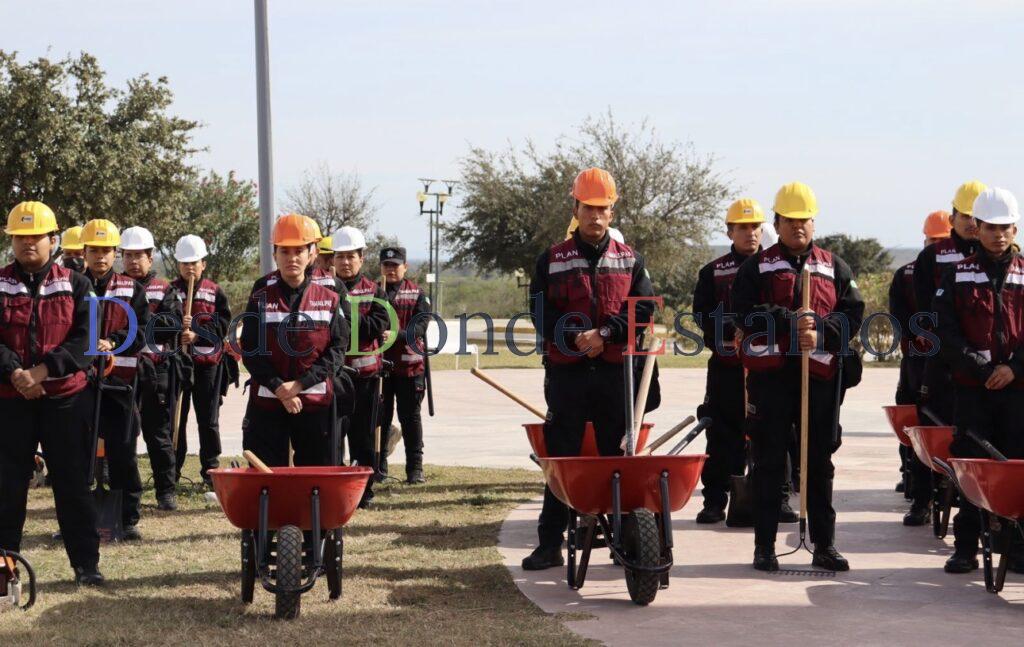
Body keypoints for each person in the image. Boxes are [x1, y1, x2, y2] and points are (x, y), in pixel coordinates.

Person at [521, 167, 656, 570]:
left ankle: (626, 540)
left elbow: (643, 309)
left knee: (619, 456)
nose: (595, 216)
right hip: (568, 374)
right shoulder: (552, 259)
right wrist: (579, 339)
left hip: (616, 374)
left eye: (602, 209)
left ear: (612, 211)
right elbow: (540, 313)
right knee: (561, 458)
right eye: (588, 208)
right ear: (575, 208)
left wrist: (606, 334)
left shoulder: (631, 260)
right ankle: (549, 544)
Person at [732, 181, 864, 572]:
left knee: (819, 463)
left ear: (813, 222)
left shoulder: (834, 265)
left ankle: (824, 544)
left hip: (819, 382)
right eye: (790, 221)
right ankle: (764, 546)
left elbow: (852, 314)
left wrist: (820, 332)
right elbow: (743, 312)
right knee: (769, 462)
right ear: (777, 222)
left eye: (804, 220)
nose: (798, 227)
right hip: (772, 382)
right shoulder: (757, 266)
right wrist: (789, 322)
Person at [0, 201, 102, 585]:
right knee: (7, 487)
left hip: (67, 400)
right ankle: (4, 571)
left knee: (73, 484)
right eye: (20, 238)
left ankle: (86, 567)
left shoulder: (79, 284)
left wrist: (42, 372)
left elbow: (87, 340)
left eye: (36, 237)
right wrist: (17, 375)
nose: (28, 244)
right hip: (11, 401)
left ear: (53, 239)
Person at [933, 187, 1024, 574]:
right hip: (973, 389)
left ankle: (1017, 548)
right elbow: (945, 332)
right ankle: (966, 547)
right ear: (977, 228)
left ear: (1015, 229)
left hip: (1017, 390)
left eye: (1005, 228)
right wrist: (981, 368)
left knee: (1018, 467)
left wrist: (1014, 368)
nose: (998, 235)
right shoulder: (956, 274)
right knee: (970, 465)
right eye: (990, 227)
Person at [692, 198, 797, 524]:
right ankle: (714, 501)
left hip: (767, 368)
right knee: (721, 435)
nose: (750, 233)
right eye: (742, 227)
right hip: (726, 368)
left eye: (755, 227)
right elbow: (702, 315)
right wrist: (729, 328)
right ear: (729, 231)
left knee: (774, 433)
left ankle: (779, 500)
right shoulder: (712, 271)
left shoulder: (775, 268)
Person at [239, 215, 348, 467]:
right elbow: (251, 350)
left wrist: (299, 385)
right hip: (268, 401)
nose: (292, 258)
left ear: (312, 253)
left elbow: (337, 351)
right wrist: (280, 388)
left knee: (316, 478)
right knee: (266, 476)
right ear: (275, 254)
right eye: (285, 251)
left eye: (299, 250)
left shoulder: (330, 299)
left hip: (315, 403)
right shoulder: (260, 298)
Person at [80, 219, 151, 540]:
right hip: (79, 384)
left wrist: (113, 340)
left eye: (106, 250)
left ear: (115, 253)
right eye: (94, 250)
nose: (100, 256)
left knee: (123, 452)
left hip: (120, 383)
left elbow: (141, 331)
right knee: (77, 453)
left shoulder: (131, 289)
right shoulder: (70, 286)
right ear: (84, 252)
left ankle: (128, 518)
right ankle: (76, 517)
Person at [887, 211, 951, 525]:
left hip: (955, 369)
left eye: (942, 241)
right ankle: (919, 494)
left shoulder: (960, 272)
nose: (936, 247)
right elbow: (899, 316)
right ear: (923, 240)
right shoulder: (907, 275)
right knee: (916, 429)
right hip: (917, 365)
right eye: (932, 241)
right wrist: (919, 338)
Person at [912, 182, 985, 428]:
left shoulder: (1003, 260)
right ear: (953, 218)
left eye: (977, 216)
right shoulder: (931, 257)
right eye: (966, 215)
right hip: (945, 364)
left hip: (989, 370)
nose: (972, 222)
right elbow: (923, 312)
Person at [120, 226, 182, 511]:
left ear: (150, 257)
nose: (133, 261)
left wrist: (137, 330)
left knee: (157, 434)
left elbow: (172, 325)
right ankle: (120, 491)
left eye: (139, 256)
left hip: (156, 371)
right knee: (121, 434)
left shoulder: (165, 289)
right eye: (128, 255)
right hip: (121, 370)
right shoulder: (115, 288)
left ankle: (165, 492)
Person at [332, 226, 391, 507]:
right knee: (332, 436)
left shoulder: (375, 291)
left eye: (350, 257)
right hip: (333, 377)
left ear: (361, 257)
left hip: (367, 378)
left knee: (364, 437)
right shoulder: (322, 290)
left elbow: (376, 325)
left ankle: (364, 491)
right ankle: (333, 487)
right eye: (340, 257)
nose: (345, 262)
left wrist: (344, 315)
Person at [171, 234, 231, 488]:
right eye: (185, 263)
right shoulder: (170, 291)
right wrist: (178, 329)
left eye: (194, 262)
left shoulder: (215, 291)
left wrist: (197, 333)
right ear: (178, 265)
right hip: (179, 364)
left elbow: (224, 325)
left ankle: (210, 470)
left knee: (208, 419)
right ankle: (172, 470)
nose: (190, 267)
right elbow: (158, 323)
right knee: (177, 417)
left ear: (203, 264)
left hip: (208, 366)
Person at [379, 245, 430, 484]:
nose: (390, 270)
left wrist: (396, 336)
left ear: (405, 267)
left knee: (410, 420)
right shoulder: (373, 292)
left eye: (395, 266)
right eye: (386, 265)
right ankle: (379, 468)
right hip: (381, 369)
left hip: (410, 369)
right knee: (381, 420)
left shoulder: (418, 294)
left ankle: (415, 470)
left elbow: (420, 327)